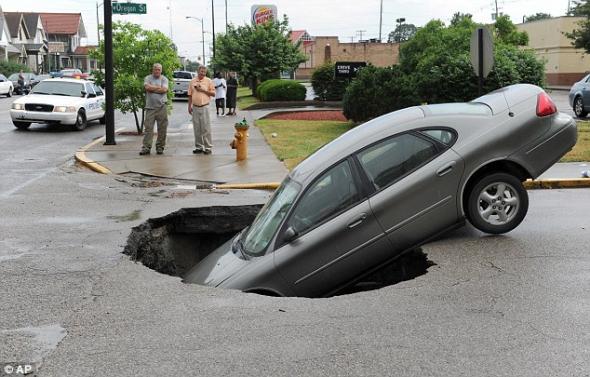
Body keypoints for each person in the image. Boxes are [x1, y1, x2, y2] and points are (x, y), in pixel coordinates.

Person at [140, 63, 169, 155]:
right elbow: (147, 87)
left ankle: (160, 147)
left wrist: (152, 88)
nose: (157, 71)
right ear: (153, 70)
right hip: (150, 108)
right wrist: (158, 88)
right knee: (148, 129)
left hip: (162, 107)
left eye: (159, 69)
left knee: (162, 128)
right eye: (155, 69)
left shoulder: (164, 79)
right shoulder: (148, 78)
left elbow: (164, 90)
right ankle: (146, 148)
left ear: (161, 70)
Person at [188, 66, 216, 155]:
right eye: (201, 71)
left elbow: (213, 93)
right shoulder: (192, 81)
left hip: (205, 106)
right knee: (197, 128)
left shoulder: (208, 81)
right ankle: (199, 147)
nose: (203, 73)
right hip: (195, 107)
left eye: (204, 72)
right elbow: (190, 94)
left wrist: (202, 90)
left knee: (206, 128)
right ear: (198, 71)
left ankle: (208, 147)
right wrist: (189, 106)